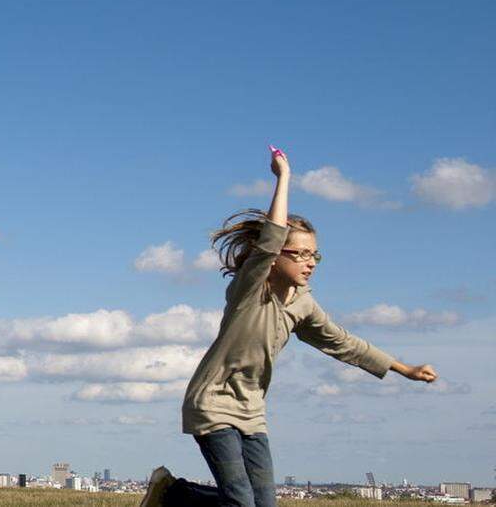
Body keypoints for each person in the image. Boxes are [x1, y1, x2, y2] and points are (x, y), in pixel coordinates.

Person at [139, 149, 438, 507]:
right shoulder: (250, 288)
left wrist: (403, 368)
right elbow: (268, 240)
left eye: (314, 255)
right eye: (299, 254)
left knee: (264, 504)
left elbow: (342, 342)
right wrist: (284, 178)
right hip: (213, 403)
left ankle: (177, 492)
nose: (309, 262)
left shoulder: (302, 304)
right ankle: (173, 494)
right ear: (276, 255)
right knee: (241, 502)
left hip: (251, 409)